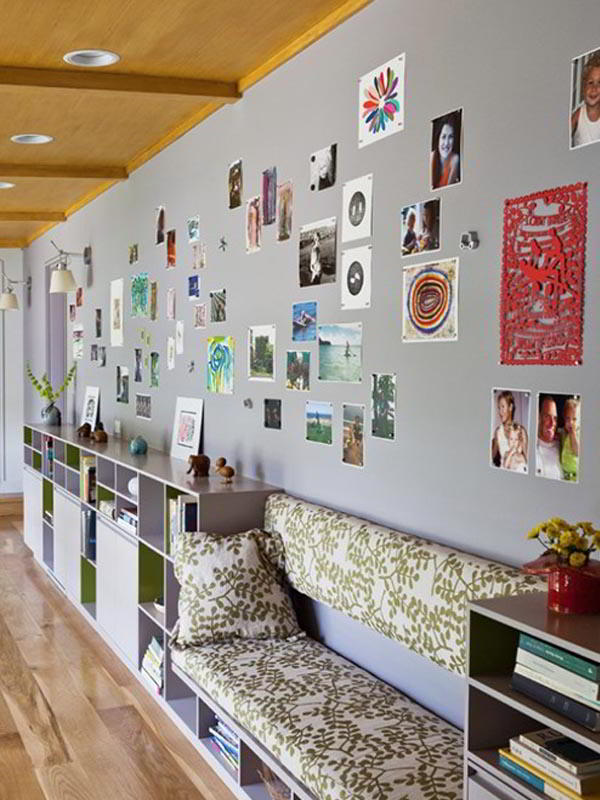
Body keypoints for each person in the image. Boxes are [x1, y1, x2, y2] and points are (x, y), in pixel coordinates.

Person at [572, 52, 600, 148]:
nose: (594, 88)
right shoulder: (578, 114)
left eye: (599, 83)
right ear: (583, 88)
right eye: (590, 82)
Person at [430, 112, 461, 189]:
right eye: (443, 137)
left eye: (450, 137)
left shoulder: (455, 159)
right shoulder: (432, 157)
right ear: (438, 139)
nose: (446, 143)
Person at [536, 395, 562, 480]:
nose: (552, 423)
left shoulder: (561, 445)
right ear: (538, 417)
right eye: (547, 416)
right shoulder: (529, 447)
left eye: (555, 418)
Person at [491, 390, 515, 466]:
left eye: (503, 407)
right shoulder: (498, 432)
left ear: (510, 407)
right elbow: (491, 458)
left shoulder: (521, 431)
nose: (500, 412)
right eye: (499, 408)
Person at [560, 397, 580, 481]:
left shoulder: (578, 433)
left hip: (575, 475)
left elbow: (577, 451)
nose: (570, 422)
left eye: (574, 419)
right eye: (568, 418)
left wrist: (573, 434)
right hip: (565, 475)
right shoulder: (564, 432)